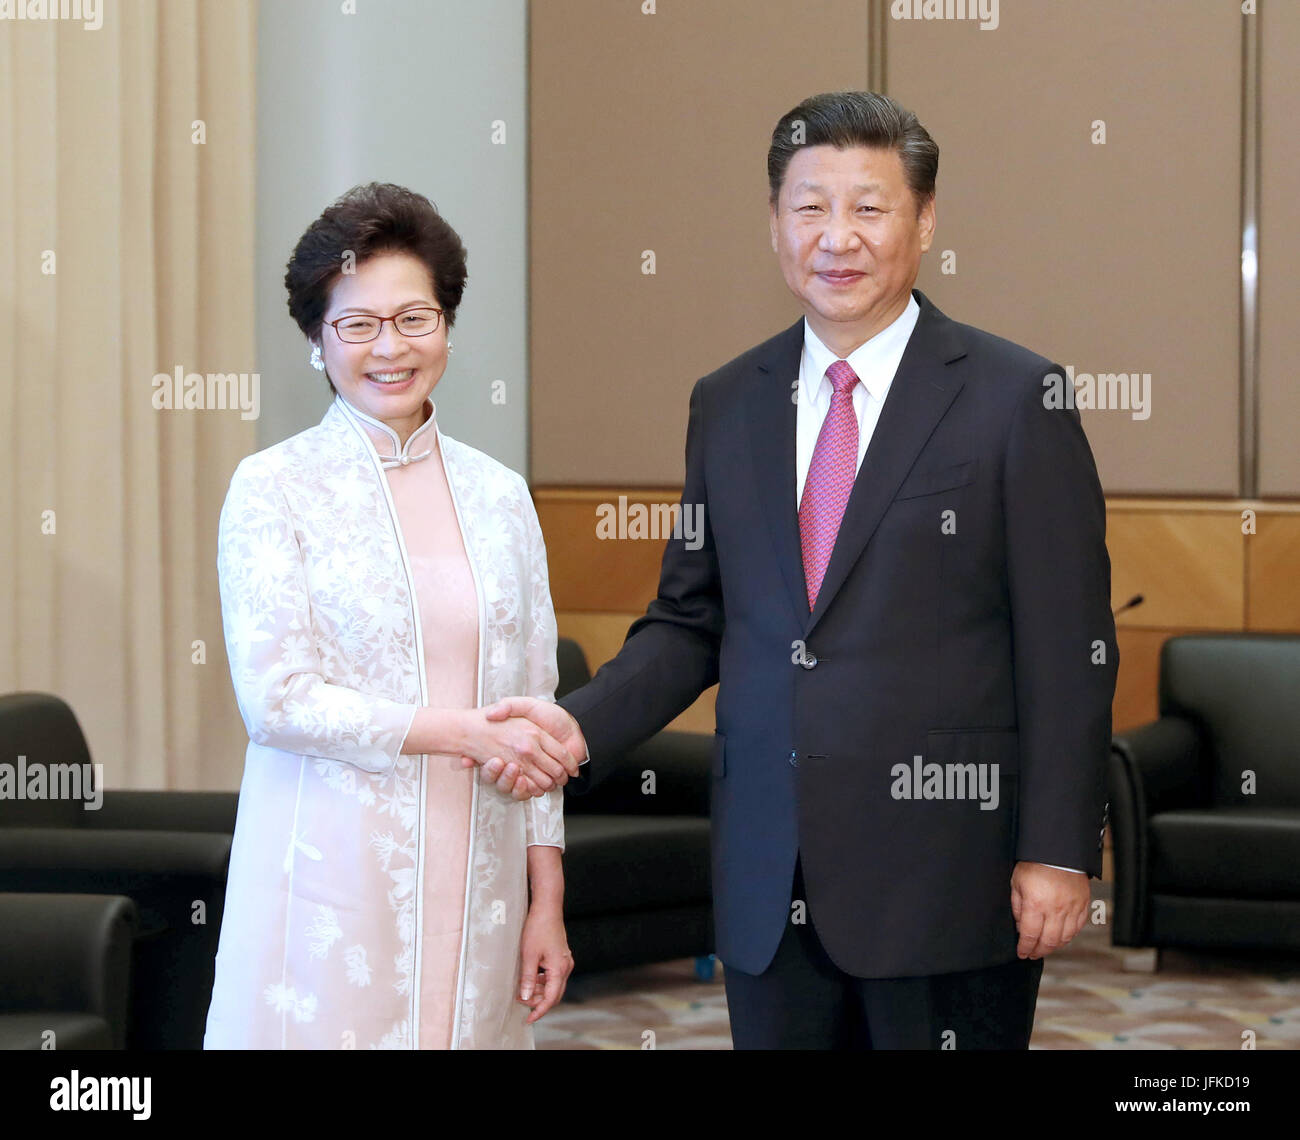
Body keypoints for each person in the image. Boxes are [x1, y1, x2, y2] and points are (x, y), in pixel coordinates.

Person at [485, 91, 1118, 1049]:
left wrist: (1059, 851)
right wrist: (576, 727)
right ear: (775, 223)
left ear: (926, 220)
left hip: (947, 877)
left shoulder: (1016, 398)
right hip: (767, 877)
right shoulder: (728, 401)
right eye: (810, 207)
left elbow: (1070, 649)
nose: (838, 237)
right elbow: (691, 621)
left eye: (870, 208)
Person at [204, 182, 579, 1050]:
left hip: (483, 882)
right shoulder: (274, 489)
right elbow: (278, 701)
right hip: (332, 881)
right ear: (315, 338)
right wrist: (465, 733)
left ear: (447, 324)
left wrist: (546, 900)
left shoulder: (500, 496)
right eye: (357, 324)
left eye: (414, 318)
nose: (389, 348)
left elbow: (536, 708)